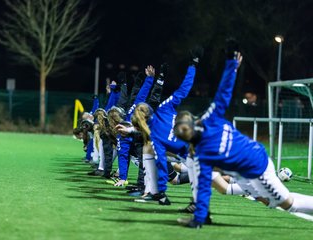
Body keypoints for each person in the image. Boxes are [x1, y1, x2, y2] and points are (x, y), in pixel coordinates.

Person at [173, 39, 313, 229]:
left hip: (258, 168)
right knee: (266, 201)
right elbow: (223, 93)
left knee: (287, 204)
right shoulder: (209, 120)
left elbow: (204, 188)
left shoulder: (201, 153)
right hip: (246, 171)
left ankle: (280, 183)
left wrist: (198, 220)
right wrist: (231, 63)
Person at [116, 46, 204, 205]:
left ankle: (157, 192)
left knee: (221, 178)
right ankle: (153, 192)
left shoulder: (155, 137)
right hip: (196, 146)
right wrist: (193, 65)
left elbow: (161, 164)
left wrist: (162, 192)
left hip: (195, 152)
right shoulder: (164, 108)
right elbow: (183, 90)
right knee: (218, 174)